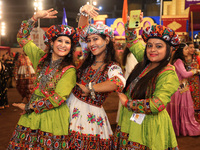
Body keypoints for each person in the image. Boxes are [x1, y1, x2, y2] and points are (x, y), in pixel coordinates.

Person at [7, 8, 77, 149]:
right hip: (31, 114)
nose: (63, 45)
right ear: (51, 43)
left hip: (53, 116)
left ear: (71, 47)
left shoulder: (69, 70)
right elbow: (22, 38)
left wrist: (29, 106)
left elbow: (57, 99)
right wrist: (34, 18)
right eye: (60, 40)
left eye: (67, 42)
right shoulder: (40, 58)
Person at [66, 4, 126, 149]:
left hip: (90, 115)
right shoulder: (88, 59)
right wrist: (84, 13)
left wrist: (90, 88)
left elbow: (119, 82)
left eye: (96, 39)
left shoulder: (112, 66)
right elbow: (81, 31)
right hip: (69, 108)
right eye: (89, 40)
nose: (92, 44)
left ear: (106, 41)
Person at [113, 24, 180, 150]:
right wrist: (131, 26)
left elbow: (157, 104)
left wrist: (128, 103)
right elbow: (132, 41)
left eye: (159, 46)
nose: (152, 49)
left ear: (169, 50)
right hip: (132, 122)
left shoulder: (168, 73)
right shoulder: (146, 63)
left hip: (149, 126)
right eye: (149, 45)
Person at [167, 43, 200, 136]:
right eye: (186, 49)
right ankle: (184, 129)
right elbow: (185, 74)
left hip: (182, 87)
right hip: (180, 88)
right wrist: (195, 71)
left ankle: (180, 129)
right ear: (180, 51)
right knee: (184, 109)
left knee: (183, 110)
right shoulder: (178, 61)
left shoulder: (180, 61)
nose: (188, 50)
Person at [185, 41, 200, 114]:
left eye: (193, 47)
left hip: (195, 80)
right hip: (186, 80)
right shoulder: (182, 59)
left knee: (196, 96)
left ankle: (196, 113)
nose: (192, 49)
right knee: (187, 97)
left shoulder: (197, 58)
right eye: (190, 47)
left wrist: (197, 71)